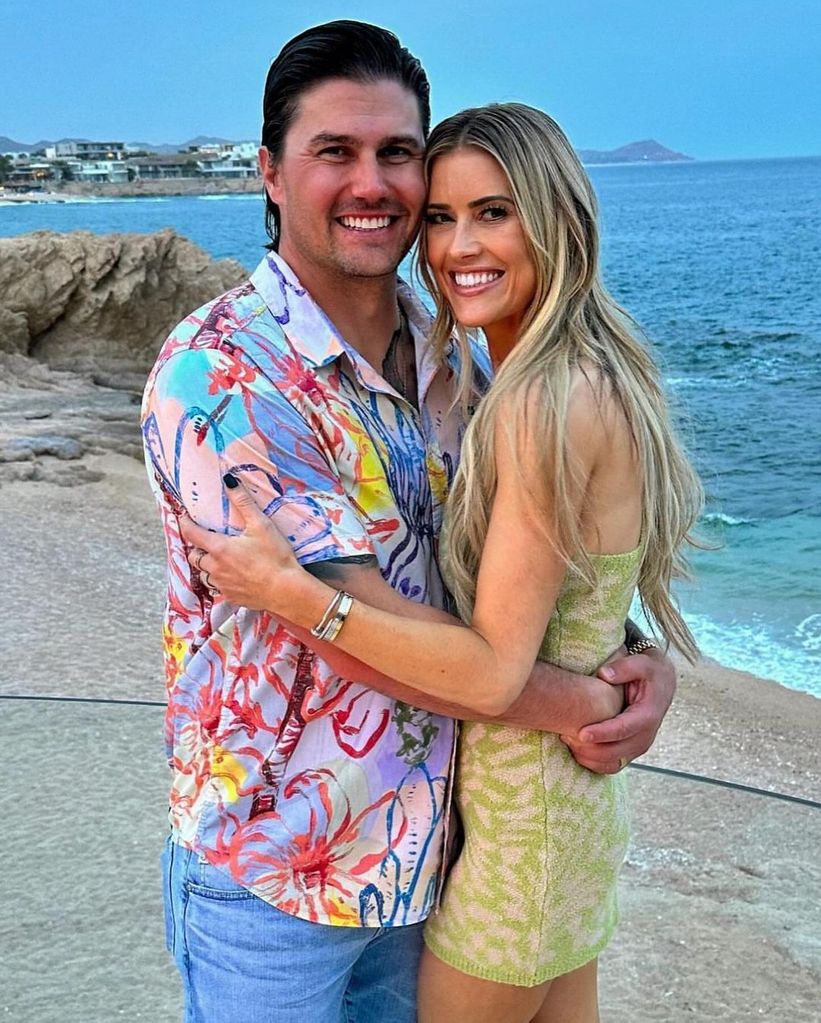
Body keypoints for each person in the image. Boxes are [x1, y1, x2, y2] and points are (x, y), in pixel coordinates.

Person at [143, 20, 677, 1023]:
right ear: (268, 172)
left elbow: (497, 563)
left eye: (396, 153)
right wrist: (583, 704)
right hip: (280, 880)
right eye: (333, 152)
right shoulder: (220, 378)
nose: (371, 183)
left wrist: (628, 648)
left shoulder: (452, 349)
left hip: (428, 857)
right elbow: (358, 632)